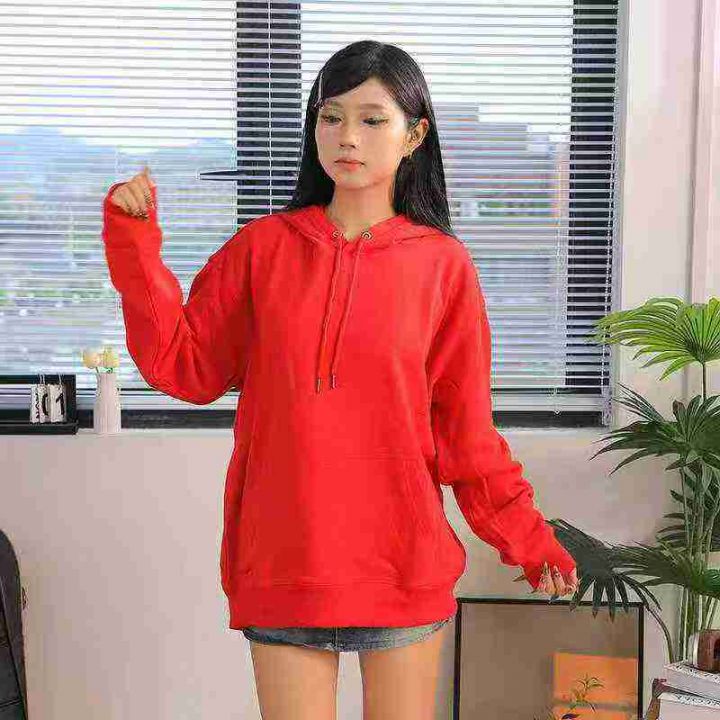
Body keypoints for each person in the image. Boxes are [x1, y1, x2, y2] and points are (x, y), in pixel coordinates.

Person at [102, 39, 578, 720]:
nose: (347, 136)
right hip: (283, 562)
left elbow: (466, 434)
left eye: (371, 119)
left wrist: (528, 540)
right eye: (331, 117)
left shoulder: (443, 267)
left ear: (414, 135)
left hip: (401, 564)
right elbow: (183, 365)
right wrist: (133, 241)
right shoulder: (261, 250)